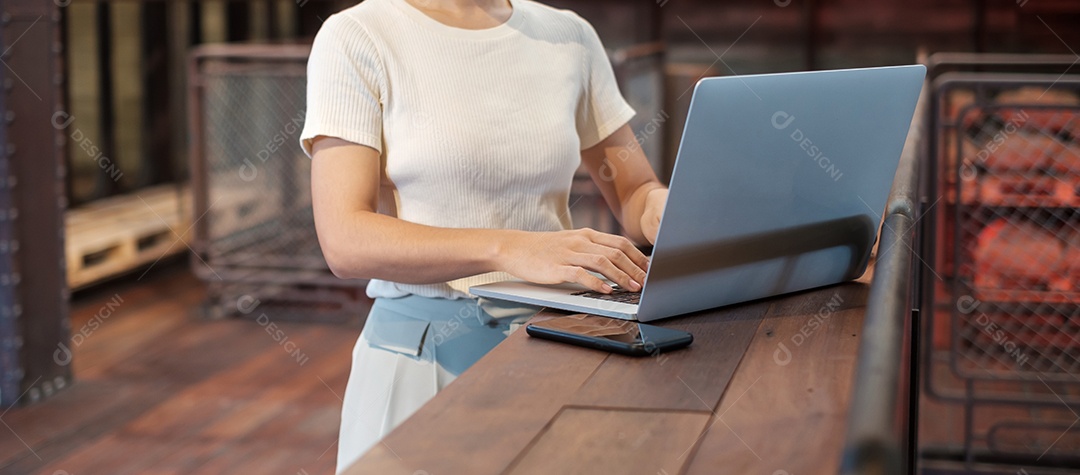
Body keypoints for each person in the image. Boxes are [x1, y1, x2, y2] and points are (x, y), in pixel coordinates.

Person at [298, 0, 668, 472]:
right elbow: (344, 239)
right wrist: (509, 247)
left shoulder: (569, 35)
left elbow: (634, 190)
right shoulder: (358, 35)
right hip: (422, 360)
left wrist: (664, 209)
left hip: (556, 344)